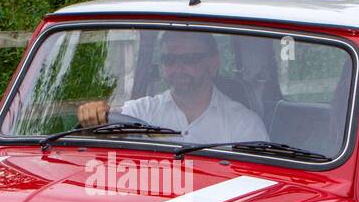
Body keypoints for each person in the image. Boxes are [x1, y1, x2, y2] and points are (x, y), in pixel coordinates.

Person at [77, 31, 269, 142]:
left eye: (188, 59)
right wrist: (94, 114)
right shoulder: (143, 110)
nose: (178, 68)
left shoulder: (243, 124)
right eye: (169, 60)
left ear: (213, 63)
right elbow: (105, 126)